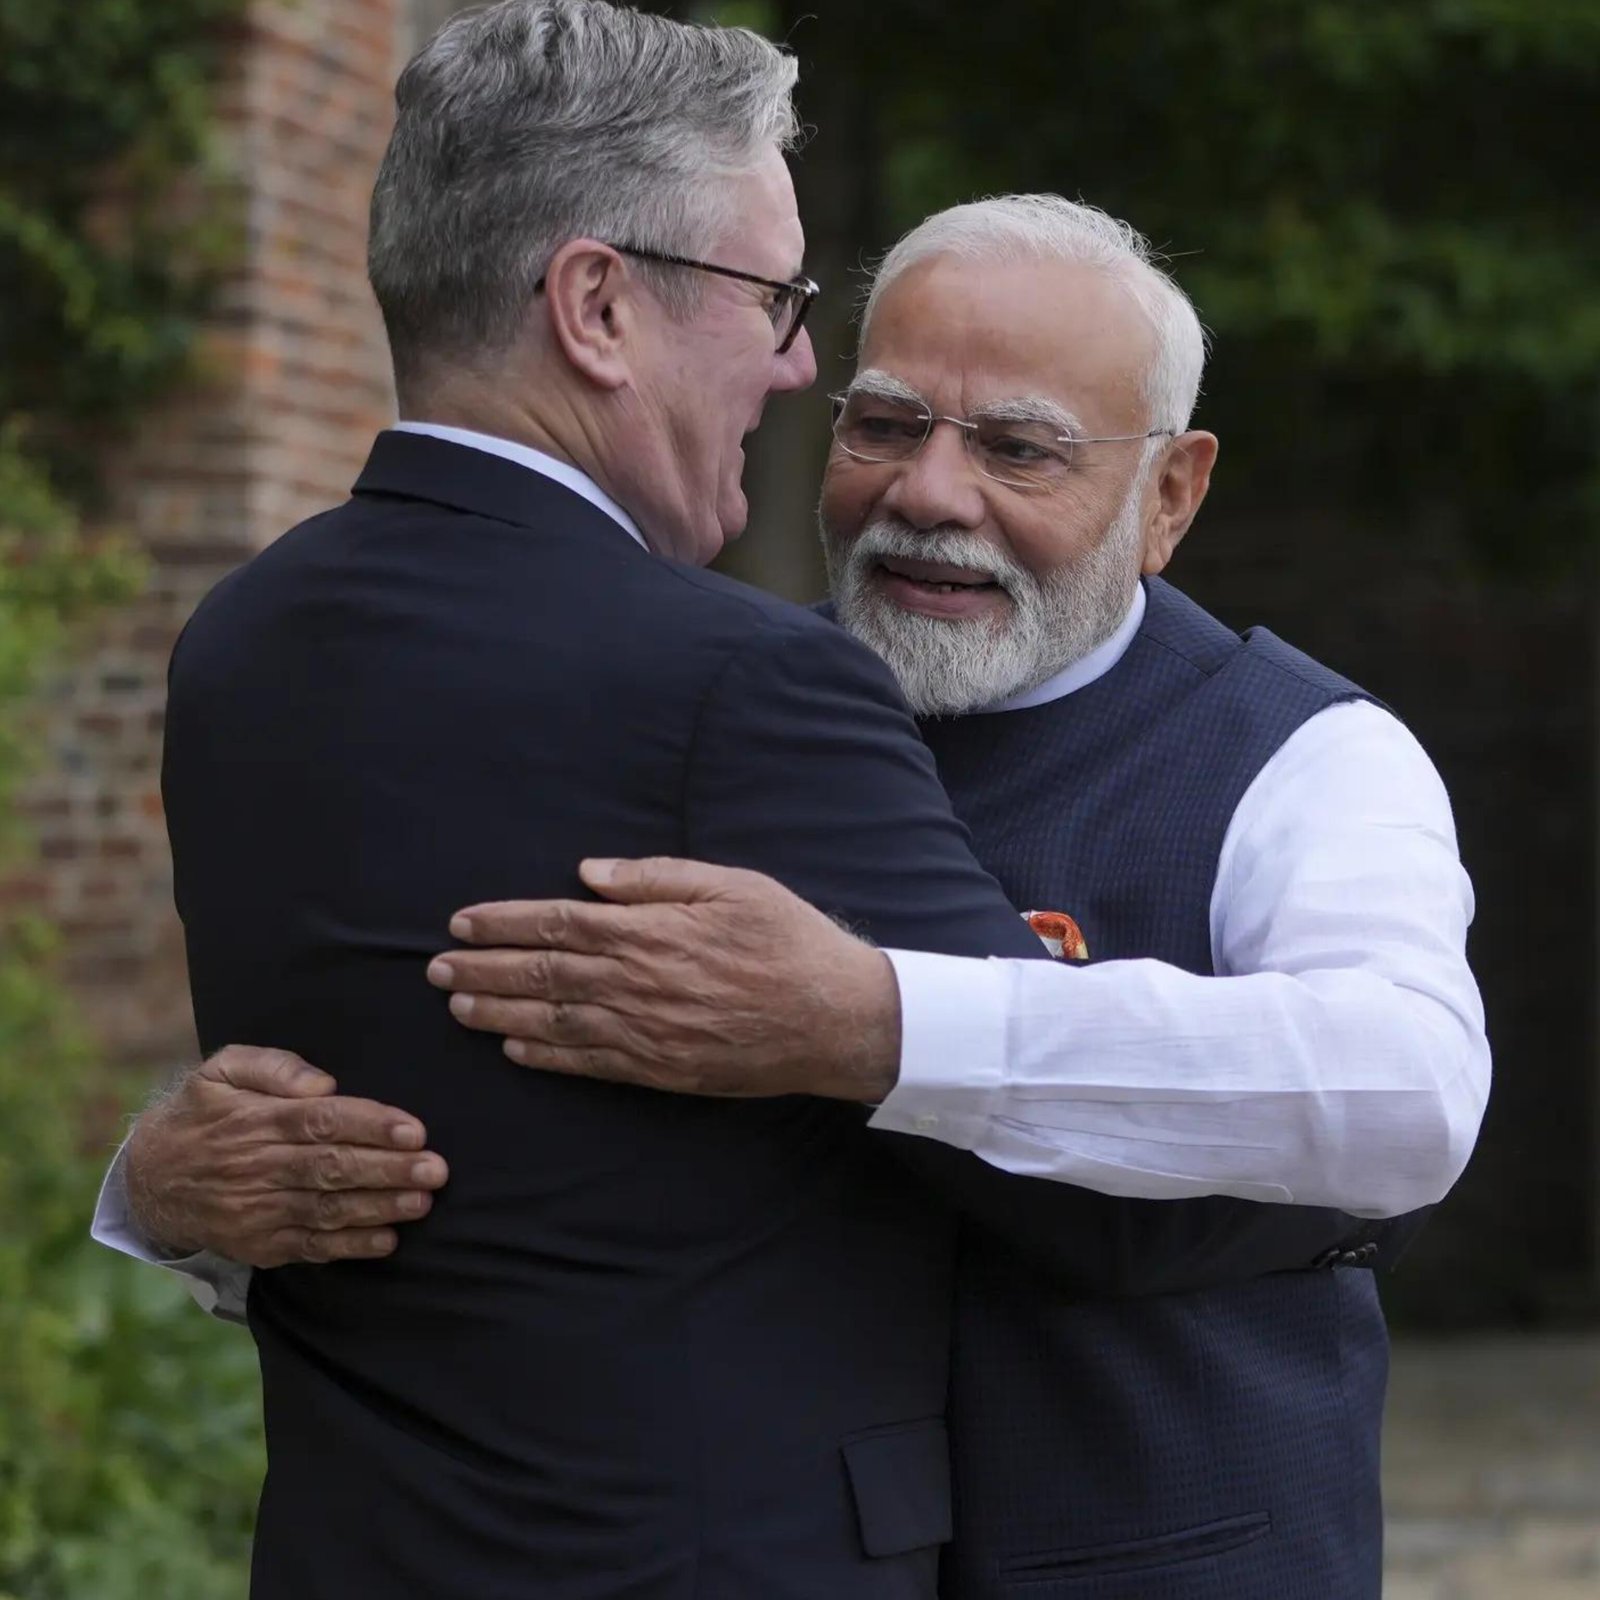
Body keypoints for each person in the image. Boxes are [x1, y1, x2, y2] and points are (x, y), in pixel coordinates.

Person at [94, 45, 1488, 1600]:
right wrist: (167, 1194)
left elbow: (1408, 1085)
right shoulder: (713, 692)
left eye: (1019, 447)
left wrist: (873, 1018)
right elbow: (501, 1150)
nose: (930, 493)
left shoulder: (1305, 756)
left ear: (1172, 495)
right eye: (883, 423)